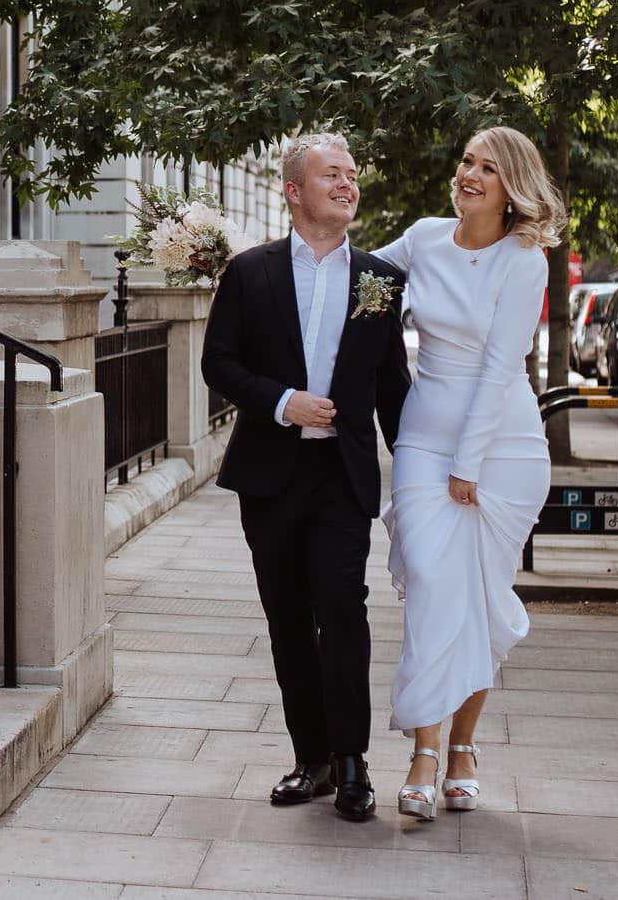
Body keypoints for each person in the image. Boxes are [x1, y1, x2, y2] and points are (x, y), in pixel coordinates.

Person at [201, 132, 411, 822]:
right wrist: (282, 401)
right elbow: (219, 363)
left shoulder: (381, 279)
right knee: (289, 616)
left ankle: (352, 761)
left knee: (343, 608)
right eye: (332, 175)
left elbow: (392, 387)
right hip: (271, 474)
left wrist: (419, 467)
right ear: (294, 191)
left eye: (353, 174)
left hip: (343, 476)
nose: (348, 184)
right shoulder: (250, 272)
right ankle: (311, 759)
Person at [371, 125, 565, 820]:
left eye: (487, 167)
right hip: (423, 438)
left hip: (503, 448)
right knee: (428, 579)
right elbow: (358, 274)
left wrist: (470, 464)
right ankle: (423, 749)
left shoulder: (526, 259)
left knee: (478, 596)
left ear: (512, 185)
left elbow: (499, 365)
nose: (470, 175)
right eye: (466, 161)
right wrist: (268, 259)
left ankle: (459, 749)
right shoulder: (423, 237)